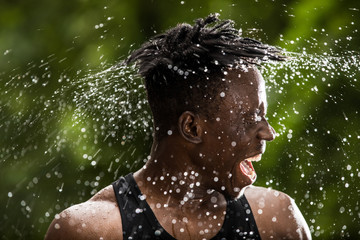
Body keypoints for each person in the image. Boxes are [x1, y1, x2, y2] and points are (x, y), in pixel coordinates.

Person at [45, 14, 312, 240]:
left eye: (263, 116)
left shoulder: (276, 221)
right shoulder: (93, 230)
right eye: (251, 118)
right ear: (192, 128)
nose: (268, 132)